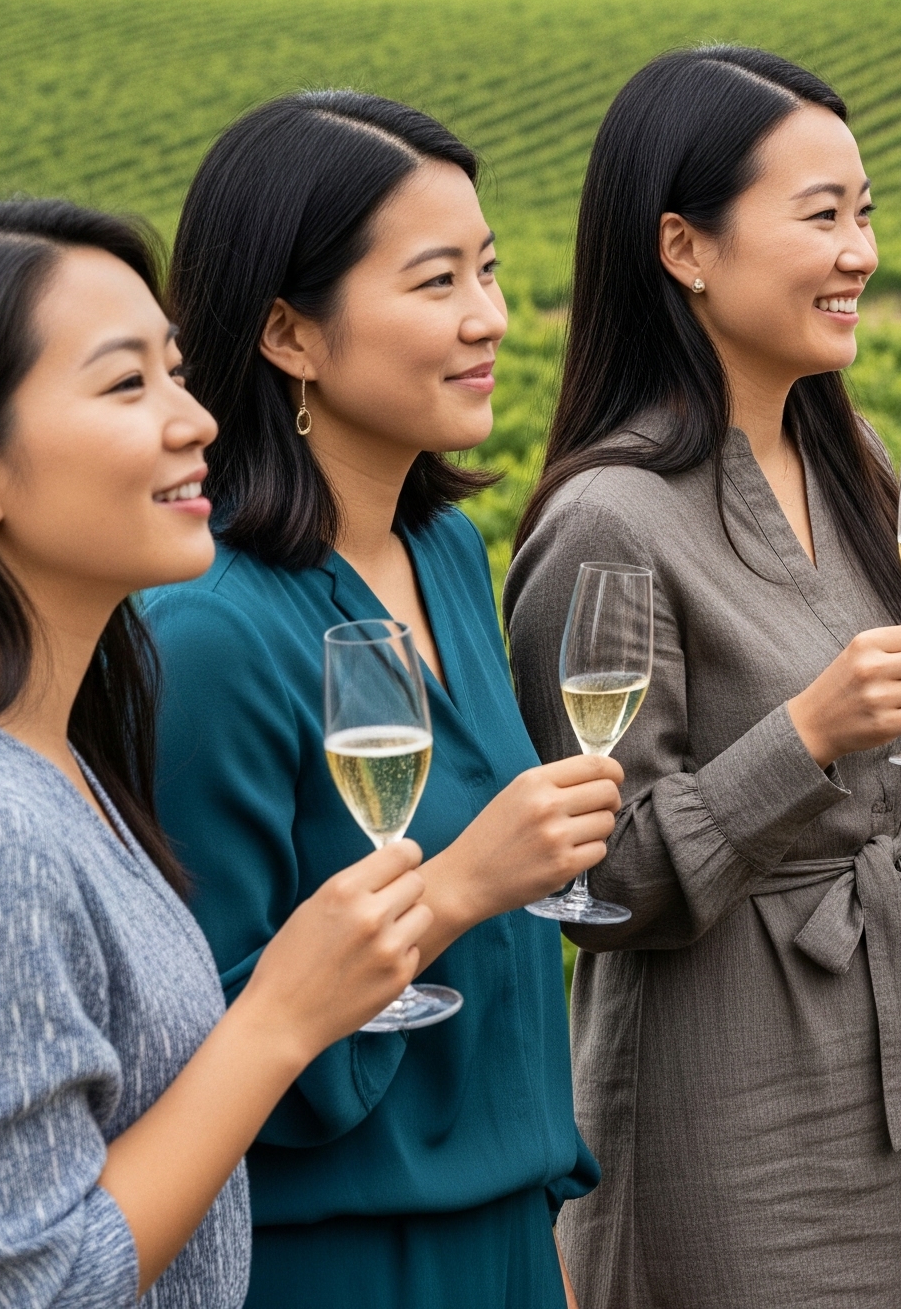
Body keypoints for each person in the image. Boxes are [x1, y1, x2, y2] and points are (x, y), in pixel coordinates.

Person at [0, 199, 431, 1309]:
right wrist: (279, 1017)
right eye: (124, 383)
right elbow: (26, 1290)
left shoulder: (52, 767)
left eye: (179, 371)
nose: (195, 418)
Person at [505, 46, 901, 1309]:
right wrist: (805, 732)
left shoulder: (845, 456)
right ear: (685, 247)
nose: (859, 250)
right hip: (724, 1075)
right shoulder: (610, 520)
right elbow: (601, 875)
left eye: (864, 213)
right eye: (820, 215)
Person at [144, 93, 617, 1309]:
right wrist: (462, 885)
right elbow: (196, 1056)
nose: (490, 318)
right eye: (434, 281)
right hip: (344, 1262)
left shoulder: (447, 550)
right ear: (291, 332)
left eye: (491, 269)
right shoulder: (208, 634)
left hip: (510, 1233)